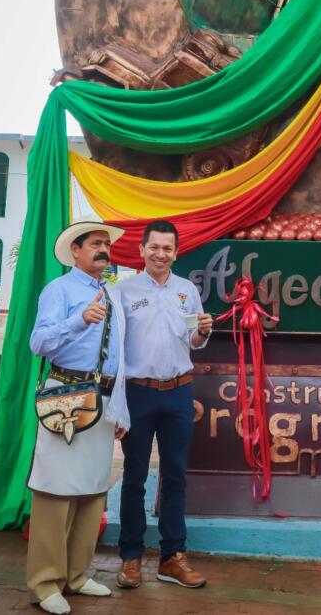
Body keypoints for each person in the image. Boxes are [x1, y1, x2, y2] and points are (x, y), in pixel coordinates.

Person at [27, 217, 130, 615]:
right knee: (55, 489)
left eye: (106, 244)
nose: (103, 249)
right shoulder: (60, 290)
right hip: (66, 395)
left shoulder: (113, 293)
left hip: (103, 396)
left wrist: (122, 405)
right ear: (76, 250)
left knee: (92, 488)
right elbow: (39, 342)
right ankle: (45, 582)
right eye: (95, 244)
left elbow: (122, 353)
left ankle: (76, 574)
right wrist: (77, 320)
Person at [116, 219, 213, 589]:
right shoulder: (123, 292)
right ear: (142, 250)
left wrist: (202, 332)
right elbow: (114, 351)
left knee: (175, 476)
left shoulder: (187, 291)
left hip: (178, 393)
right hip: (137, 393)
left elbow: (193, 339)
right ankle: (131, 558)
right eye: (154, 247)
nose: (161, 254)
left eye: (167, 248)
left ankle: (172, 557)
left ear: (176, 252)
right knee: (134, 477)